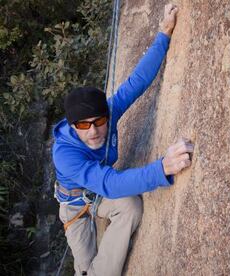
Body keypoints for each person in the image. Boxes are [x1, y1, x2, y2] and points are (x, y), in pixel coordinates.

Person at [52, 4, 192, 276]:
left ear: (106, 115)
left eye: (99, 122)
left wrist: (164, 34)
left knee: (131, 206)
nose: (93, 131)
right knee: (84, 268)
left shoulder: (110, 112)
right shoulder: (64, 154)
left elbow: (136, 82)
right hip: (76, 207)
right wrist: (162, 168)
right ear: (72, 126)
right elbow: (109, 183)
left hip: (100, 196)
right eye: (83, 125)